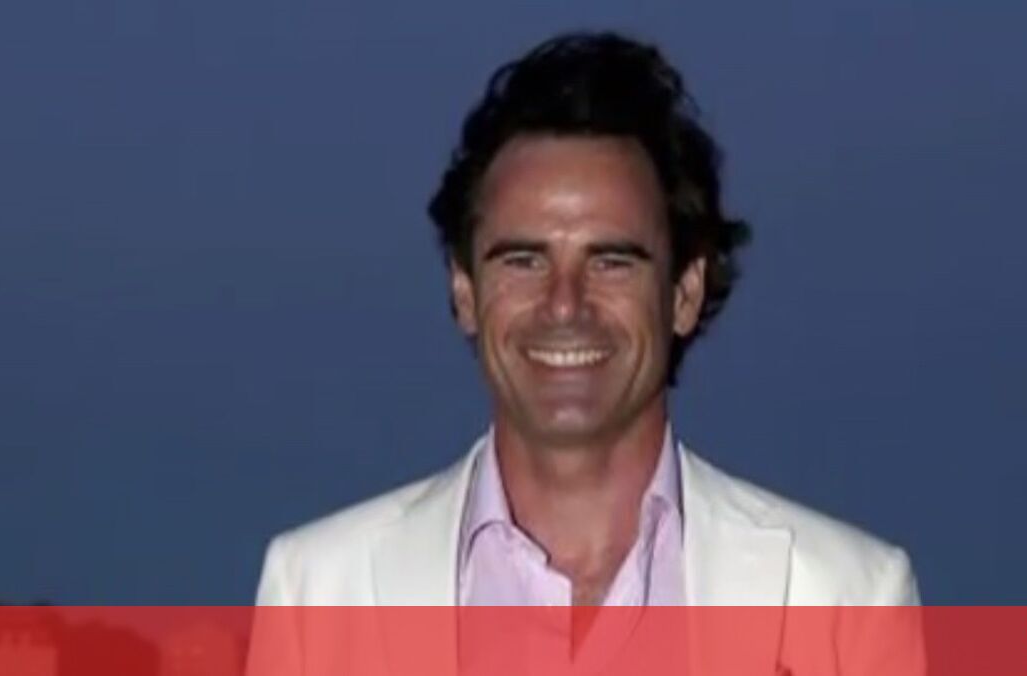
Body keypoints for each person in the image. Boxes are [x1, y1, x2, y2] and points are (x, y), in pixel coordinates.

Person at [251, 30, 922, 675]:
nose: (565, 304)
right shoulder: (316, 592)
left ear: (685, 292)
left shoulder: (848, 600)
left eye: (611, 261)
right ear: (464, 290)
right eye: (523, 260)